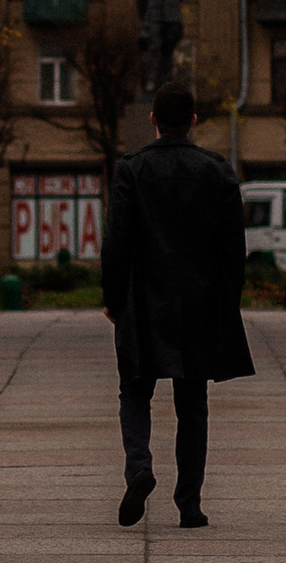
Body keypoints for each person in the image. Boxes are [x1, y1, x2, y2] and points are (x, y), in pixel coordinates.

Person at [101, 82, 252, 527]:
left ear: (152, 119)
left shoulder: (131, 169)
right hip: (199, 301)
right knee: (192, 401)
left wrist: (113, 298)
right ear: (193, 120)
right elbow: (234, 247)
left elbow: (117, 241)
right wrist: (228, 300)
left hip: (143, 300)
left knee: (135, 388)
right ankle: (189, 504)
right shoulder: (216, 170)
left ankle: (139, 467)